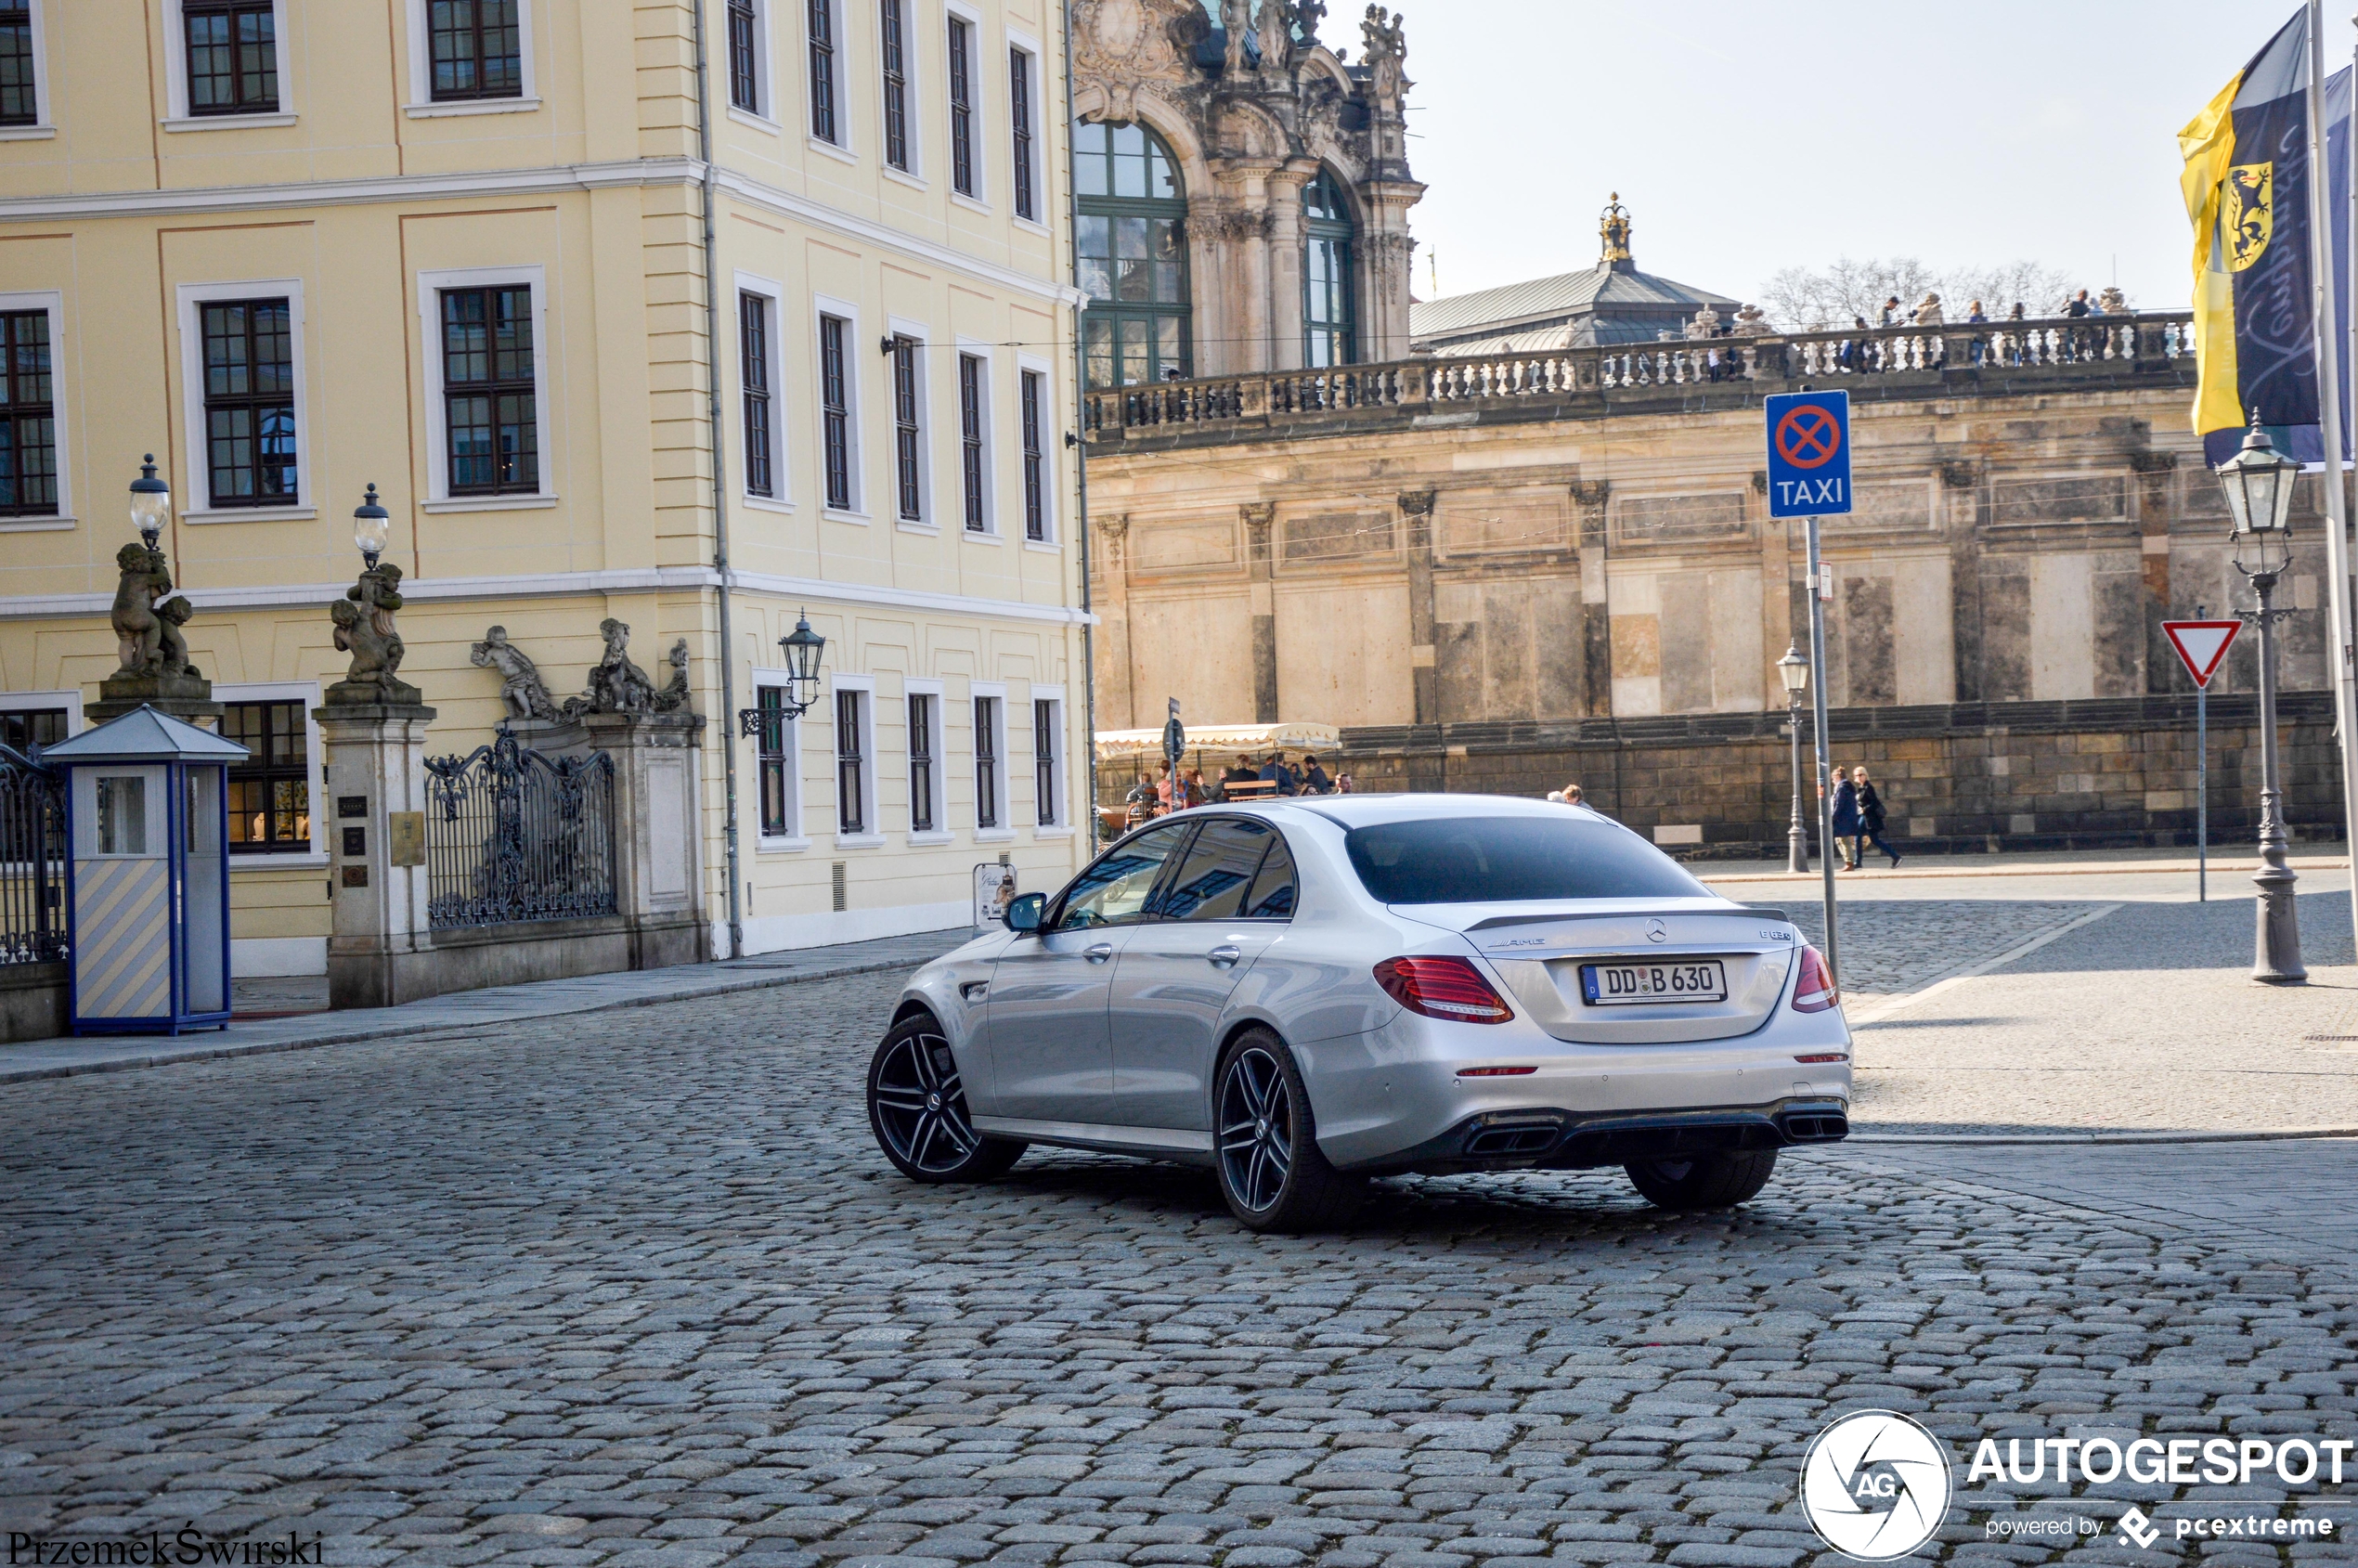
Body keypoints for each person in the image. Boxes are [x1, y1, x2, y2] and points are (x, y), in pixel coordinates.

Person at [1852, 765, 1900, 870]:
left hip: (1868, 817)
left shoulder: (1868, 787)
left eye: (1861, 775)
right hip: (1864, 817)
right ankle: (1895, 857)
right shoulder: (1861, 788)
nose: (1859, 777)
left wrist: (1865, 809)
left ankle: (1858, 862)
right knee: (1874, 840)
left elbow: (1874, 802)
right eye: (1857, 775)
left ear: (1865, 775)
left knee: (1858, 836)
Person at [1829, 768, 1861, 872]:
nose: (1832, 781)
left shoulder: (1842, 788)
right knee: (1839, 839)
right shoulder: (1846, 786)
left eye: (1833, 779)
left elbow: (1839, 804)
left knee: (1843, 839)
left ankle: (1849, 863)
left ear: (1837, 777)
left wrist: (1833, 817)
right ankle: (1849, 862)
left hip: (1843, 818)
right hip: (1846, 817)